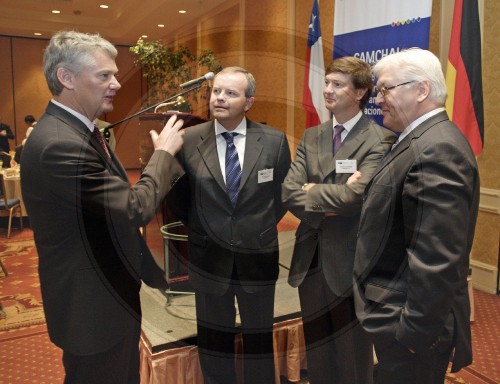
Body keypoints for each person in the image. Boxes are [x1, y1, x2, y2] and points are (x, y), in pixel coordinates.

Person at [21, 30, 185, 384]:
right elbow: (132, 209)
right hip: (90, 308)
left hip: (107, 297)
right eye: (104, 75)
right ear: (66, 78)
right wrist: (162, 155)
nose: (116, 83)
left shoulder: (80, 131)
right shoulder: (60, 144)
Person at [353, 48, 479, 384]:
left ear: (421, 90)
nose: (378, 100)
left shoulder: (438, 149)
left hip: (410, 332)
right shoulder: (416, 140)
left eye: (385, 89)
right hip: (395, 316)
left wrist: (412, 335)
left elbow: (437, 258)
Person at [167, 66, 291, 384]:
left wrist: (253, 227)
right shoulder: (188, 140)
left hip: (257, 257)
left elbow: (280, 198)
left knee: (259, 341)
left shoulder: (274, 141)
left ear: (249, 102)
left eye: (230, 93)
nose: (219, 98)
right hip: (209, 258)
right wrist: (206, 228)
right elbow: (178, 198)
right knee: (213, 343)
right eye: (216, 91)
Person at [282, 56, 396, 384]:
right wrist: (333, 197)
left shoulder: (380, 140)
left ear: (360, 92)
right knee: (317, 352)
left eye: (338, 84)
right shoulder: (312, 136)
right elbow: (289, 193)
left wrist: (313, 191)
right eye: (327, 83)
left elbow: (355, 198)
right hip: (309, 261)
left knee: (352, 355)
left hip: (351, 259)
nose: (327, 90)